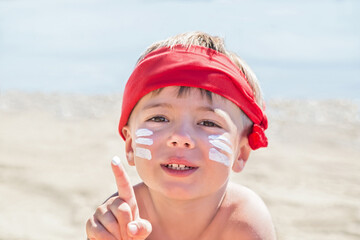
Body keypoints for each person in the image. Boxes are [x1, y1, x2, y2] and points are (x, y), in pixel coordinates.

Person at [86, 31, 276, 240]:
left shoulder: (244, 221)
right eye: (159, 118)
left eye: (208, 122)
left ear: (241, 153)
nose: (180, 136)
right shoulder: (122, 218)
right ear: (130, 145)